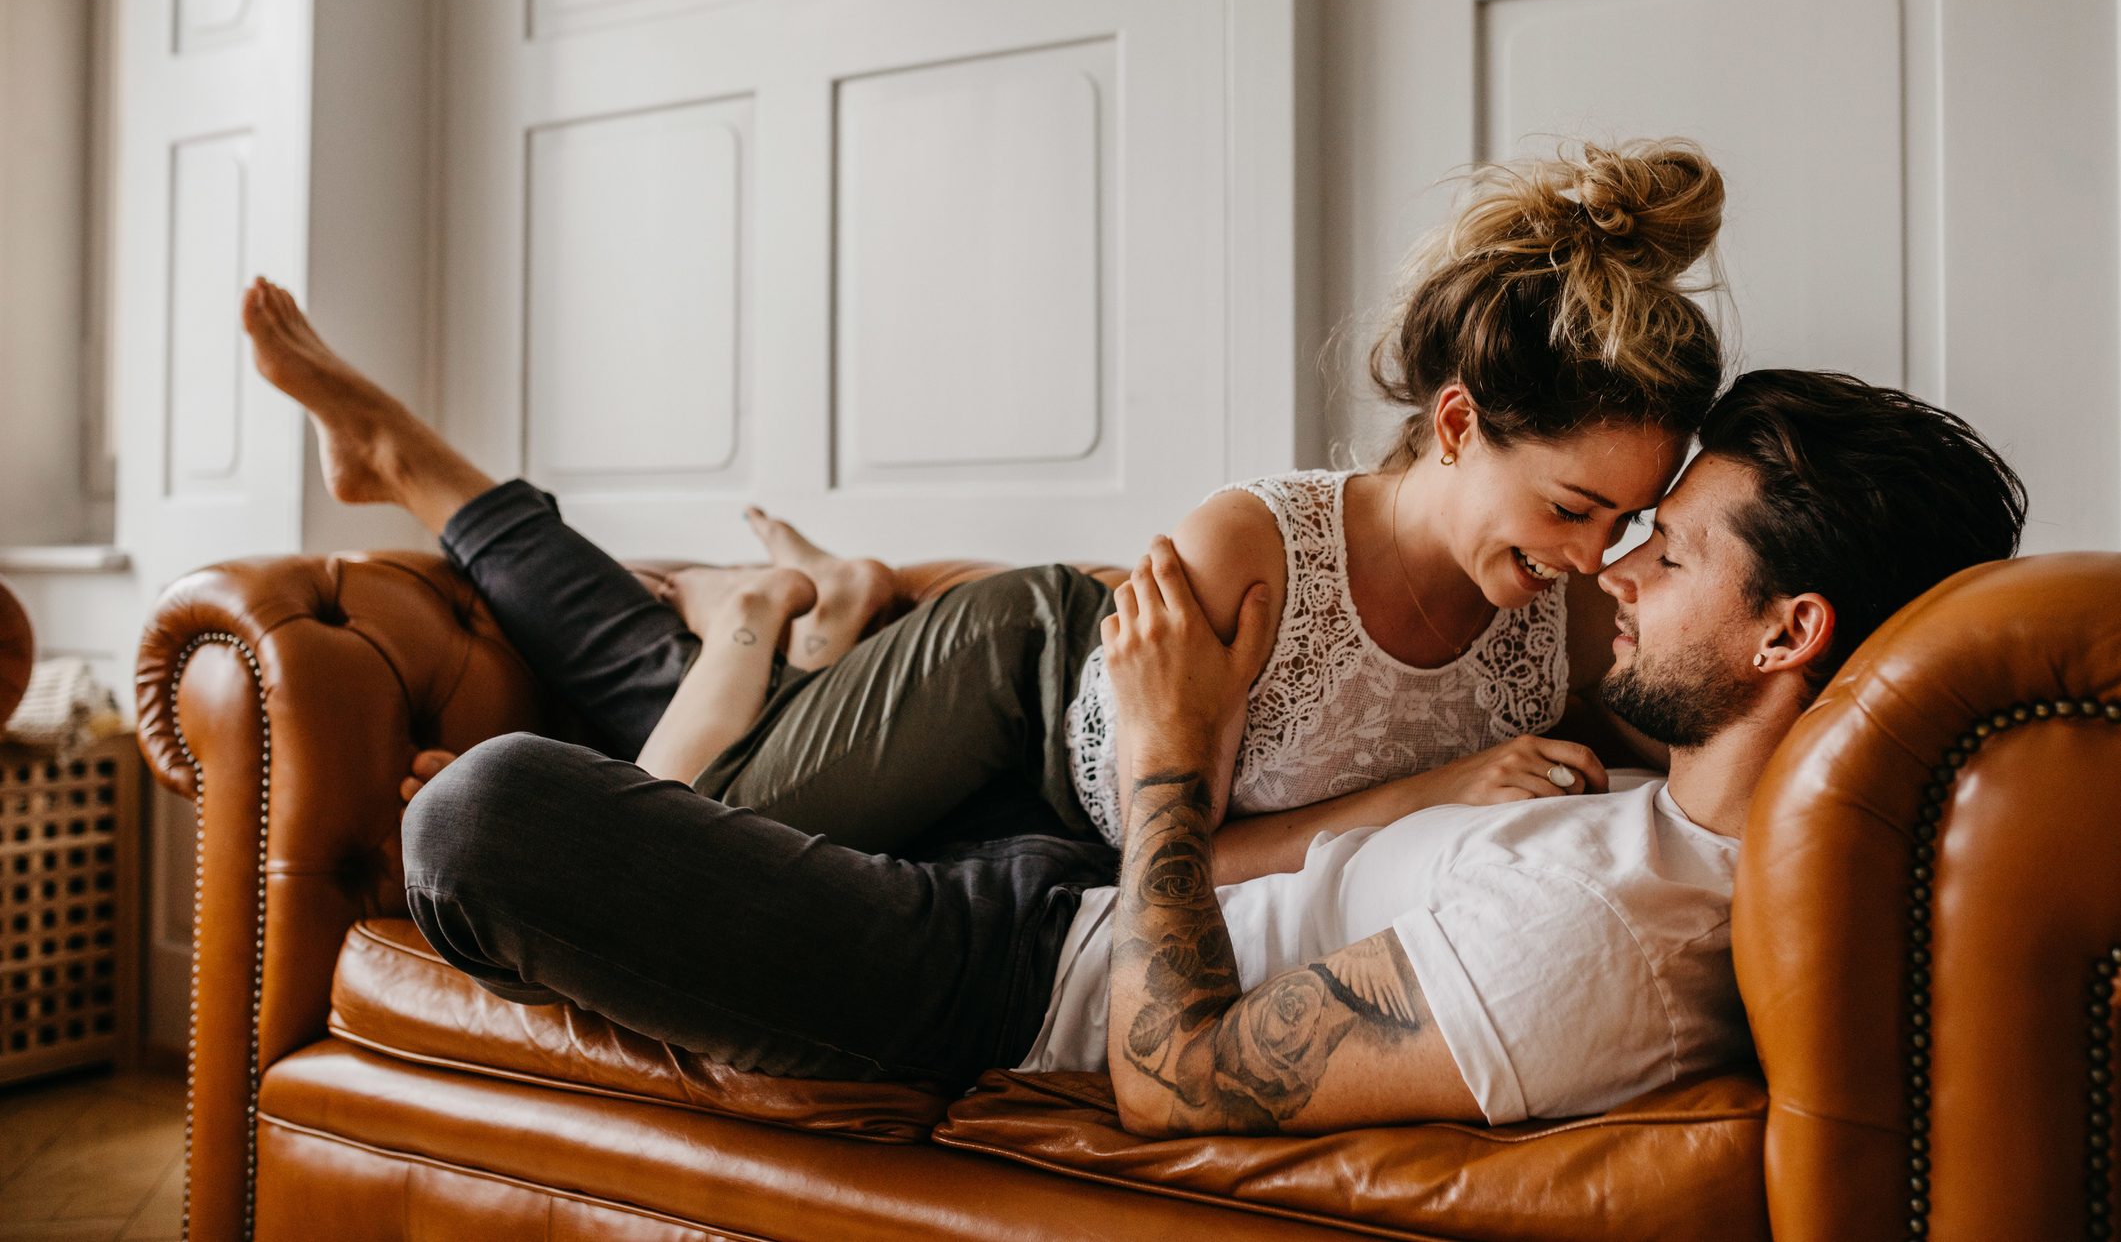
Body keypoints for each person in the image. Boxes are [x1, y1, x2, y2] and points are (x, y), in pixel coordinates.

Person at [397, 369, 2026, 1131]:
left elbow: (1172, 1077)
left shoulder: (1599, 943)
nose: (1612, 564)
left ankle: (712, 605)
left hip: (1008, 974)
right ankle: (466, 500)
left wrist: (1173, 758)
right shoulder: (1632, 797)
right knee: (657, 698)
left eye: (1667, 553)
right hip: (1055, 857)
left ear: (1786, 634)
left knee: (486, 814)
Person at [244, 138, 1730, 878]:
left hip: (1021, 816)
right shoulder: (1256, 551)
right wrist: (1428, 794)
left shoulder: (1574, 627)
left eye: (1623, 522)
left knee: (668, 708)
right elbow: (1176, 860)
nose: (1592, 558)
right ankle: (438, 471)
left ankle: (785, 601)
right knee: (698, 833)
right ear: (1456, 423)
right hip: (1004, 668)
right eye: (1567, 507)